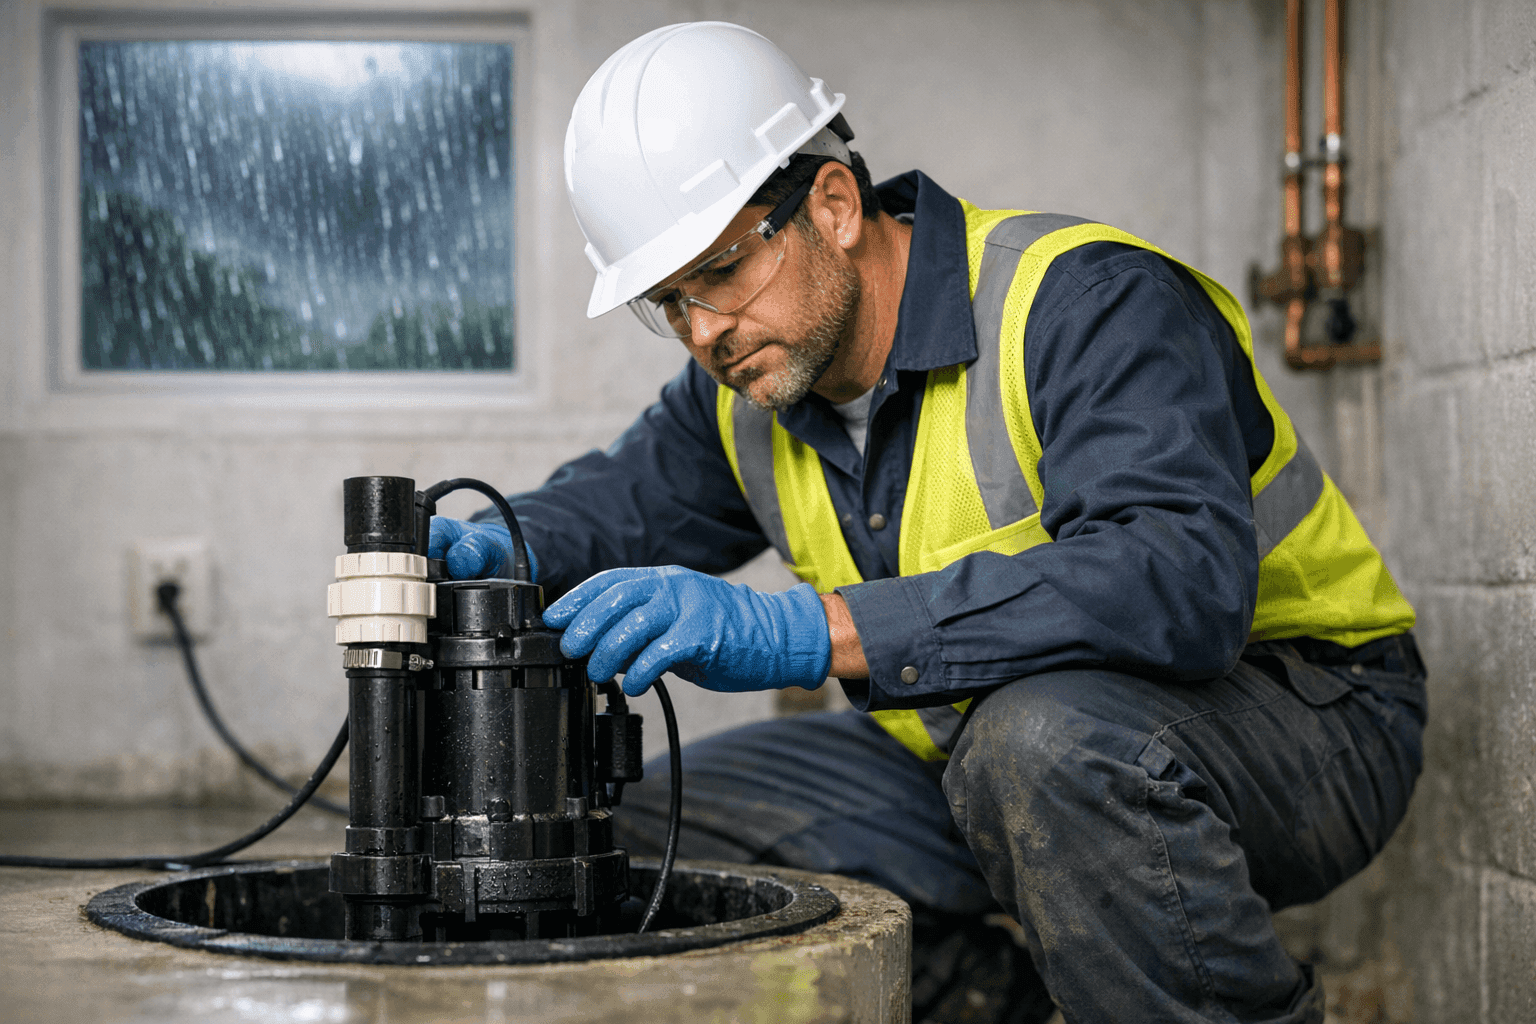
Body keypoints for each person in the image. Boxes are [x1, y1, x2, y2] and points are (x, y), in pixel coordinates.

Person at [430, 22, 1425, 1024]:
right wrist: (493, 545)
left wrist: (815, 629)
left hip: (1305, 716)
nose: (704, 333)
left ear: (832, 205)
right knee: (631, 831)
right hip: (971, 751)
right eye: (669, 303)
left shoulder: (1081, 303)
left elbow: (1176, 579)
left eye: (722, 271)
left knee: (1038, 747)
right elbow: (618, 504)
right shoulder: (749, 390)